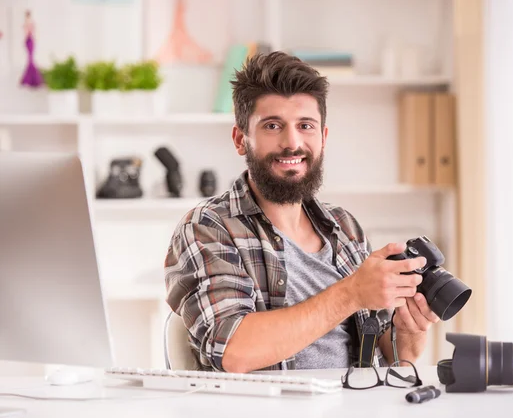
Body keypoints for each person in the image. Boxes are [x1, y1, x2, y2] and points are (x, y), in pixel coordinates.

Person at [164, 51, 439, 373]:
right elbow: (232, 350)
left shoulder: (344, 227)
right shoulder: (208, 227)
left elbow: (391, 358)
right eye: (272, 126)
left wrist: (408, 331)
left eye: (305, 126)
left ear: (322, 137)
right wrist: (351, 293)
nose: (292, 142)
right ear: (241, 139)